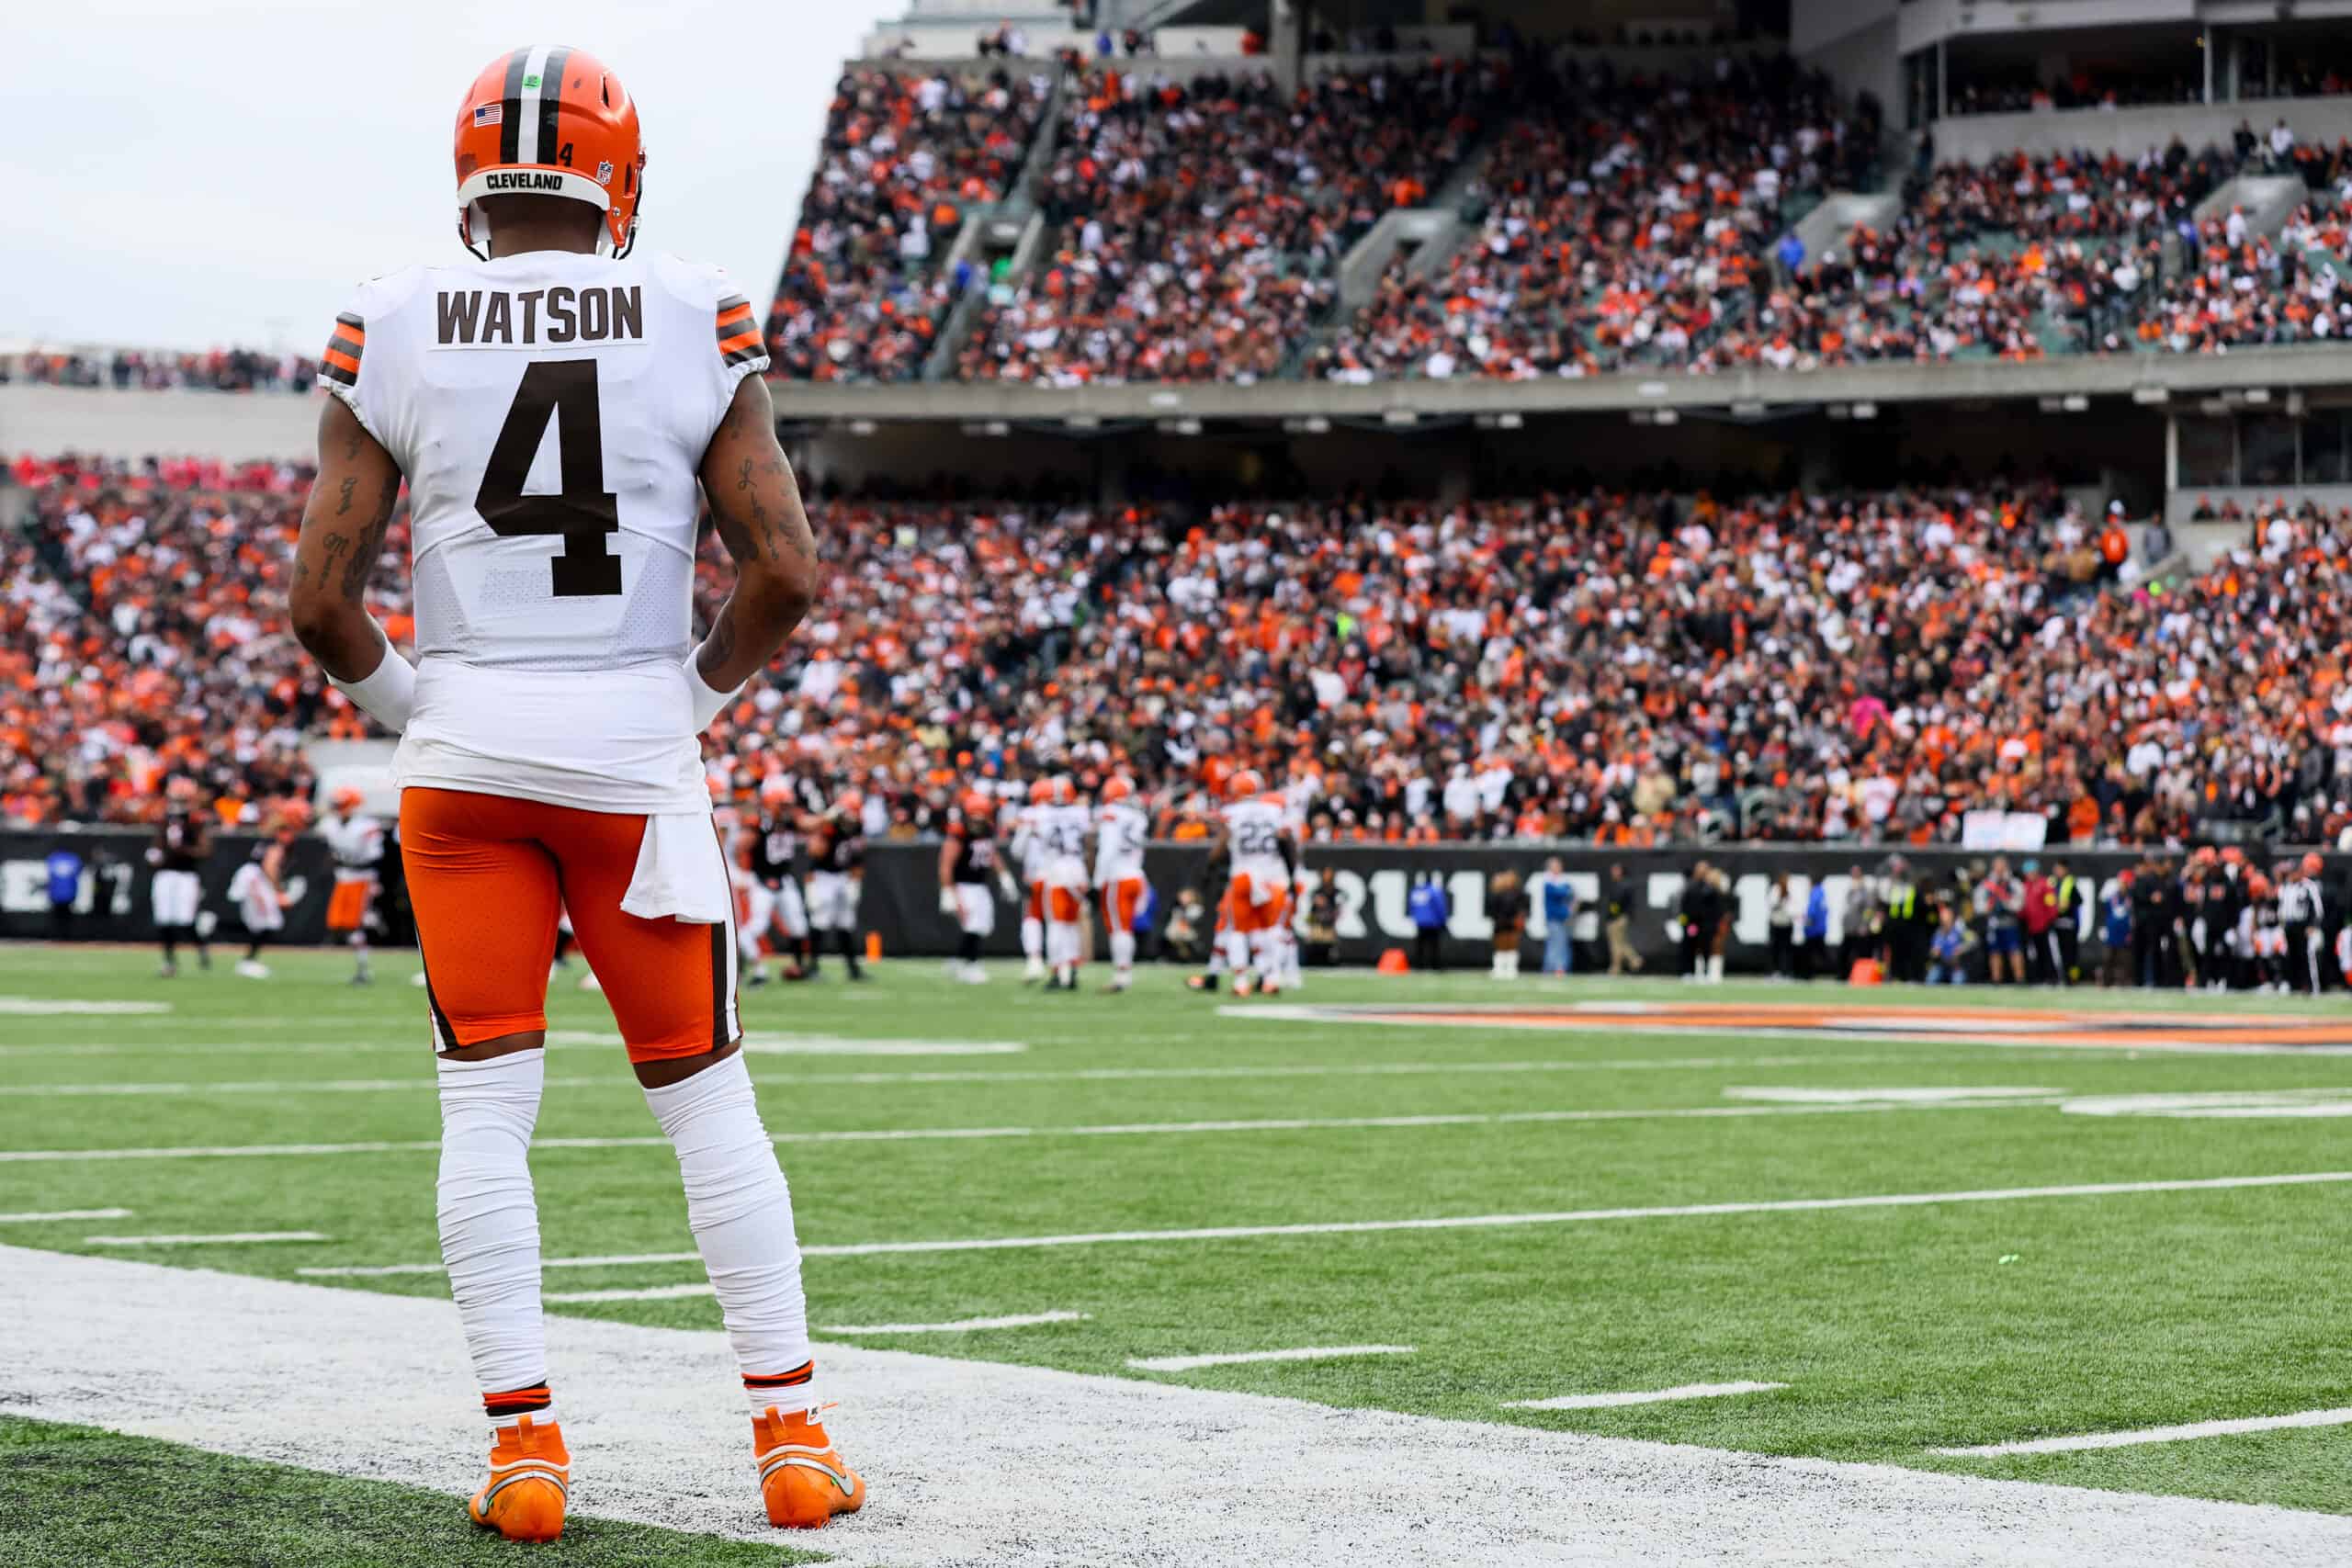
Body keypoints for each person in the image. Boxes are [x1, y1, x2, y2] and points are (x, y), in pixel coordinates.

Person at [284, 45, 854, 1543]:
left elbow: (319, 604)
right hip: (630, 758)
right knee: (709, 1105)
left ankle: (525, 1453)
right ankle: (791, 1435)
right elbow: (786, 572)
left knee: (484, 1117)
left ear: (476, 172)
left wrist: (426, 716)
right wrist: (689, 697)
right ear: (616, 172)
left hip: (463, 761)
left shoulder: (394, 319)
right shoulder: (689, 307)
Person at [1214, 770, 1295, 996]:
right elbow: (1286, 842)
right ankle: (1271, 977)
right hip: (1271, 876)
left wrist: (1209, 866)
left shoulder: (1231, 812)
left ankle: (1241, 982)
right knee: (1270, 929)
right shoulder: (1274, 810)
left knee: (1238, 931)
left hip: (1244, 874)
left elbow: (1222, 843)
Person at [939, 787, 1014, 985]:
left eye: (982, 816)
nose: (978, 821)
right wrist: (948, 891)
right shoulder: (959, 833)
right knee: (974, 925)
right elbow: (946, 864)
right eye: (974, 817)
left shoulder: (987, 830)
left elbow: (991, 853)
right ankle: (969, 965)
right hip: (963, 885)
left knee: (982, 926)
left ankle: (959, 960)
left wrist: (1005, 877)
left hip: (980, 885)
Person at [319, 786, 387, 984]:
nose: (338, 809)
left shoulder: (366, 826)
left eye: (342, 805)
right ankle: (362, 961)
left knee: (355, 924)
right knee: (337, 922)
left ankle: (364, 969)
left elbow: (375, 857)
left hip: (362, 877)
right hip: (343, 876)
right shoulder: (330, 824)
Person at [148, 777, 212, 976]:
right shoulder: (165, 821)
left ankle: (201, 949)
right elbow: (156, 846)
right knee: (164, 919)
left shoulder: (195, 822)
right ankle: (169, 960)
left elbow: (205, 849)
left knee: (185, 919)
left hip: (186, 875)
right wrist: (155, 855)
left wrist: (184, 851)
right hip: (165, 874)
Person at [1092, 777, 1150, 991]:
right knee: (1125, 929)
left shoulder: (1112, 814)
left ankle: (1122, 975)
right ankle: (1124, 972)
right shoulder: (1138, 815)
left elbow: (1108, 848)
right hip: (1136, 875)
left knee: (1119, 929)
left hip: (1118, 876)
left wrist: (1098, 880)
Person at [227, 810, 300, 978]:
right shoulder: (275, 845)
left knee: (263, 923)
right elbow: (270, 867)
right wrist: (279, 891)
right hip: (256, 881)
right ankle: (247, 961)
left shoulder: (265, 841)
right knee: (268, 922)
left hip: (251, 879)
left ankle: (249, 960)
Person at [804, 795, 867, 981]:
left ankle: (853, 968)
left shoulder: (857, 828)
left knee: (846, 923)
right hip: (824, 877)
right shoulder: (829, 827)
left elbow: (858, 858)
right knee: (820, 921)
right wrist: (825, 825)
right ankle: (812, 967)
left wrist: (855, 883)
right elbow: (814, 851)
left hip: (844, 877)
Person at [1532, 856, 1576, 976]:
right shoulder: (1548, 881)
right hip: (1553, 917)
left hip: (1562, 917)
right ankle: (1556, 968)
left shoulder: (1561, 880)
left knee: (1559, 943)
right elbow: (1561, 893)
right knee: (1556, 943)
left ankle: (1553, 967)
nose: (1559, 868)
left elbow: (1569, 892)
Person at [1487, 869, 1527, 979]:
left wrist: (1520, 918)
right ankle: (1499, 969)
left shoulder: (1519, 894)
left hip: (1513, 924)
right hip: (1500, 924)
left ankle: (1511, 969)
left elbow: (1523, 908)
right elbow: (1492, 909)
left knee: (1512, 946)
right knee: (1500, 947)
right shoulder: (1498, 894)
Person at [1408, 869, 1449, 973]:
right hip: (1432, 922)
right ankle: (1435, 965)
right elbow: (1440, 907)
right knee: (1434, 945)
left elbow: (1412, 906)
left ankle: (1419, 965)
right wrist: (1443, 920)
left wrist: (1415, 917)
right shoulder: (1434, 891)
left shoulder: (1416, 891)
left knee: (1420, 945)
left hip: (1420, 922)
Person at [2098, 873, 2135, 987]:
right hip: (2112, 932)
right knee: (2108, 958)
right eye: (2120, 882)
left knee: (2125, 960)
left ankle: (2124, 982)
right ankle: (2106, 982)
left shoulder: (2131, 898)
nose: (2121, 885)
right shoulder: (2112, 898)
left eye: (2124, 883)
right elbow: (2104, 913)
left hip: (2125, 933)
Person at [1604, 863, 1641, 975]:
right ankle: (1632, 960)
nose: (1613, 873)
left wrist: (1613, 916)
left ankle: (1619, 966)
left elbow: (1616, 903)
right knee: (1620, 942)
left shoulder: (1621, 885)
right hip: (1622, 917)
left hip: (1618, 918)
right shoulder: (1623, 884)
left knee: (1616, 944)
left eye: (1615, 870)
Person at [1925, 906, 1974, 984]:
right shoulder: (1938, 933)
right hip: (1942, 965)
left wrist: (1961, 949)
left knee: (1958, 981)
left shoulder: (1960, 930)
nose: (1945, 920)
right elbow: (1933, 951)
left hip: (1956, 966)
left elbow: (1973, 941)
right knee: (1931, 978)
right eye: (1943, 918)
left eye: (1947, 917)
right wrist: (1934, 953)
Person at [44, 844, 84, 942]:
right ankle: (62, 938)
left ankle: (61, 938)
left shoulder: (54, 858)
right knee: (62, 918)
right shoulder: (72, 858)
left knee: (62, 918)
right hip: (65, 893)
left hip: (60, 893)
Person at [1303, 869, 1340, 968]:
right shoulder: (1317, 892)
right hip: (1317, 927)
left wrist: (1330, 910)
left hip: (1329, 927)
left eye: (1329, 875)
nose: (1327, 877)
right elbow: (1311, 914)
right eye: (1325, 874)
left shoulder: (1336, 893)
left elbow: (1337, 912)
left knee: (1329, 951)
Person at [1766, 873, 1796, 980]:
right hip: (1776, 922)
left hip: (1787, 923)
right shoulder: (1775, 889)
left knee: (1786, 949)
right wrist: (1780, 899)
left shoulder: (1792, 890)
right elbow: (1771, 904)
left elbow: (1794, 907)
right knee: (1774, 949)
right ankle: (1774, 971)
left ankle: (1786, 972)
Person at [1800, 875, 1829, 981]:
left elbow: (1812, 911)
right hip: (1821, 928)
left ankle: (1807, 974)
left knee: (1808, 953)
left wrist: (1806, 921)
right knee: (1820, 951)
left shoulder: (1815, 894)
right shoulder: (1822, 893)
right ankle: (1833, 971)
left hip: (1813, 929)